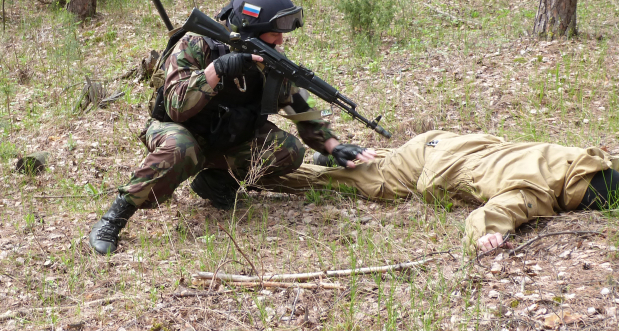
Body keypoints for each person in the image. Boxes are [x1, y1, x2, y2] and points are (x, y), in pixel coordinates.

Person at [87, 0, 377, 255]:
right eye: (274, 32)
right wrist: (217, 71)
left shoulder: (267, 56)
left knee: (289, 150)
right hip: (179, 131)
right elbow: (175, 105)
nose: (281, 39)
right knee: (180, 146)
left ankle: (216, 183)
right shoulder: (196, 44)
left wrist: (332, 145)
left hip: (227, 134)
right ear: (252, 29)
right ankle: (116, 216)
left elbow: (298, 104)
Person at [263, 130, 619, 253]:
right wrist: (487, 237)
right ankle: (252, 174)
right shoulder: (537, 192)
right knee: (363, 183)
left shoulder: (577, 157)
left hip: (449, 142)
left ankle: (339, 156)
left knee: (386, 164)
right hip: (435, 164)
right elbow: (492, 215)